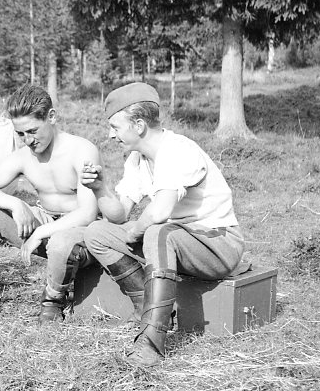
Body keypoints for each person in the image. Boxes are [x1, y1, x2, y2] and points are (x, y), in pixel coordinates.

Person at [80, 83, 244, 368]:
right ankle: (149, 306)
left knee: (157, 230)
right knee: (96, 233)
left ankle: (151, 342)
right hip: (172, 240)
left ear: (139, 125)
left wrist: (134, 232)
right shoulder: (137, 159)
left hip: (218, 244)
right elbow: (118, 215)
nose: (110, 134)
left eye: (115, 126)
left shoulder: (178, 150)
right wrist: (99, 189)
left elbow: (160, 211)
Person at [0, 84, 101, 324]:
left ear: (52, 117)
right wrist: (15, 204)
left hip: (82, 235)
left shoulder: (81, 150)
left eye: (33, 131)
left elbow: (88, 213)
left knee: (60, 241)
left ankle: (53, 300)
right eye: (20, 134)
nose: (28, 140)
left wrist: (42, 232)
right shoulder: (25, 156)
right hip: (45, 223)